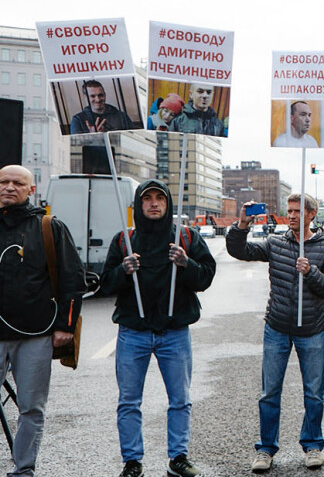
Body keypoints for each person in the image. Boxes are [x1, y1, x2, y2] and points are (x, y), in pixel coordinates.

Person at [101, 180, 216, 477]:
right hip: (132, 332)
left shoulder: (186, 237)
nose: (154, 204)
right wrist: (123, 271)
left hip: (174, 332)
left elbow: (205, 278)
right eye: (147, 199)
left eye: (160, 199)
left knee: (180, 399)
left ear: (168, 204)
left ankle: (179, 458)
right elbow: (105, 285)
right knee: (129, 401)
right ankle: (132, 462)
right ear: (139, 205)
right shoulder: (124, 240)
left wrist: (186, 263)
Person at [226, 194, 324, 472]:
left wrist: (311, 271)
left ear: (312, 214)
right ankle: (266, 448)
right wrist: (241, 225)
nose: (291, 215)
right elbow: (240, 251)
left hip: (311, 329)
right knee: (269, 392)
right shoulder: (275, 243)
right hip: (277, 327)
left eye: (297, 211)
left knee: (314, 393)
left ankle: (313, 444)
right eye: (289, 211)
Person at [0, 165, 85, 476]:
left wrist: (65, 325)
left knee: (31, 408)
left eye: (17, 183)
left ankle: (23, 469)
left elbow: (74, 280)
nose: (9, 187)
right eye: (3, 182)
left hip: (36, 335)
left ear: (31, 190)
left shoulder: (49, 227)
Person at [70, 79, 135, 133]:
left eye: (100, 95)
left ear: (105, 95)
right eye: (92, 96)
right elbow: (76, 146)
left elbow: (133, 138)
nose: (98, 100)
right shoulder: (77, 119)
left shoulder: (121, 116)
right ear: (85, 97)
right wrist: (91, 136)